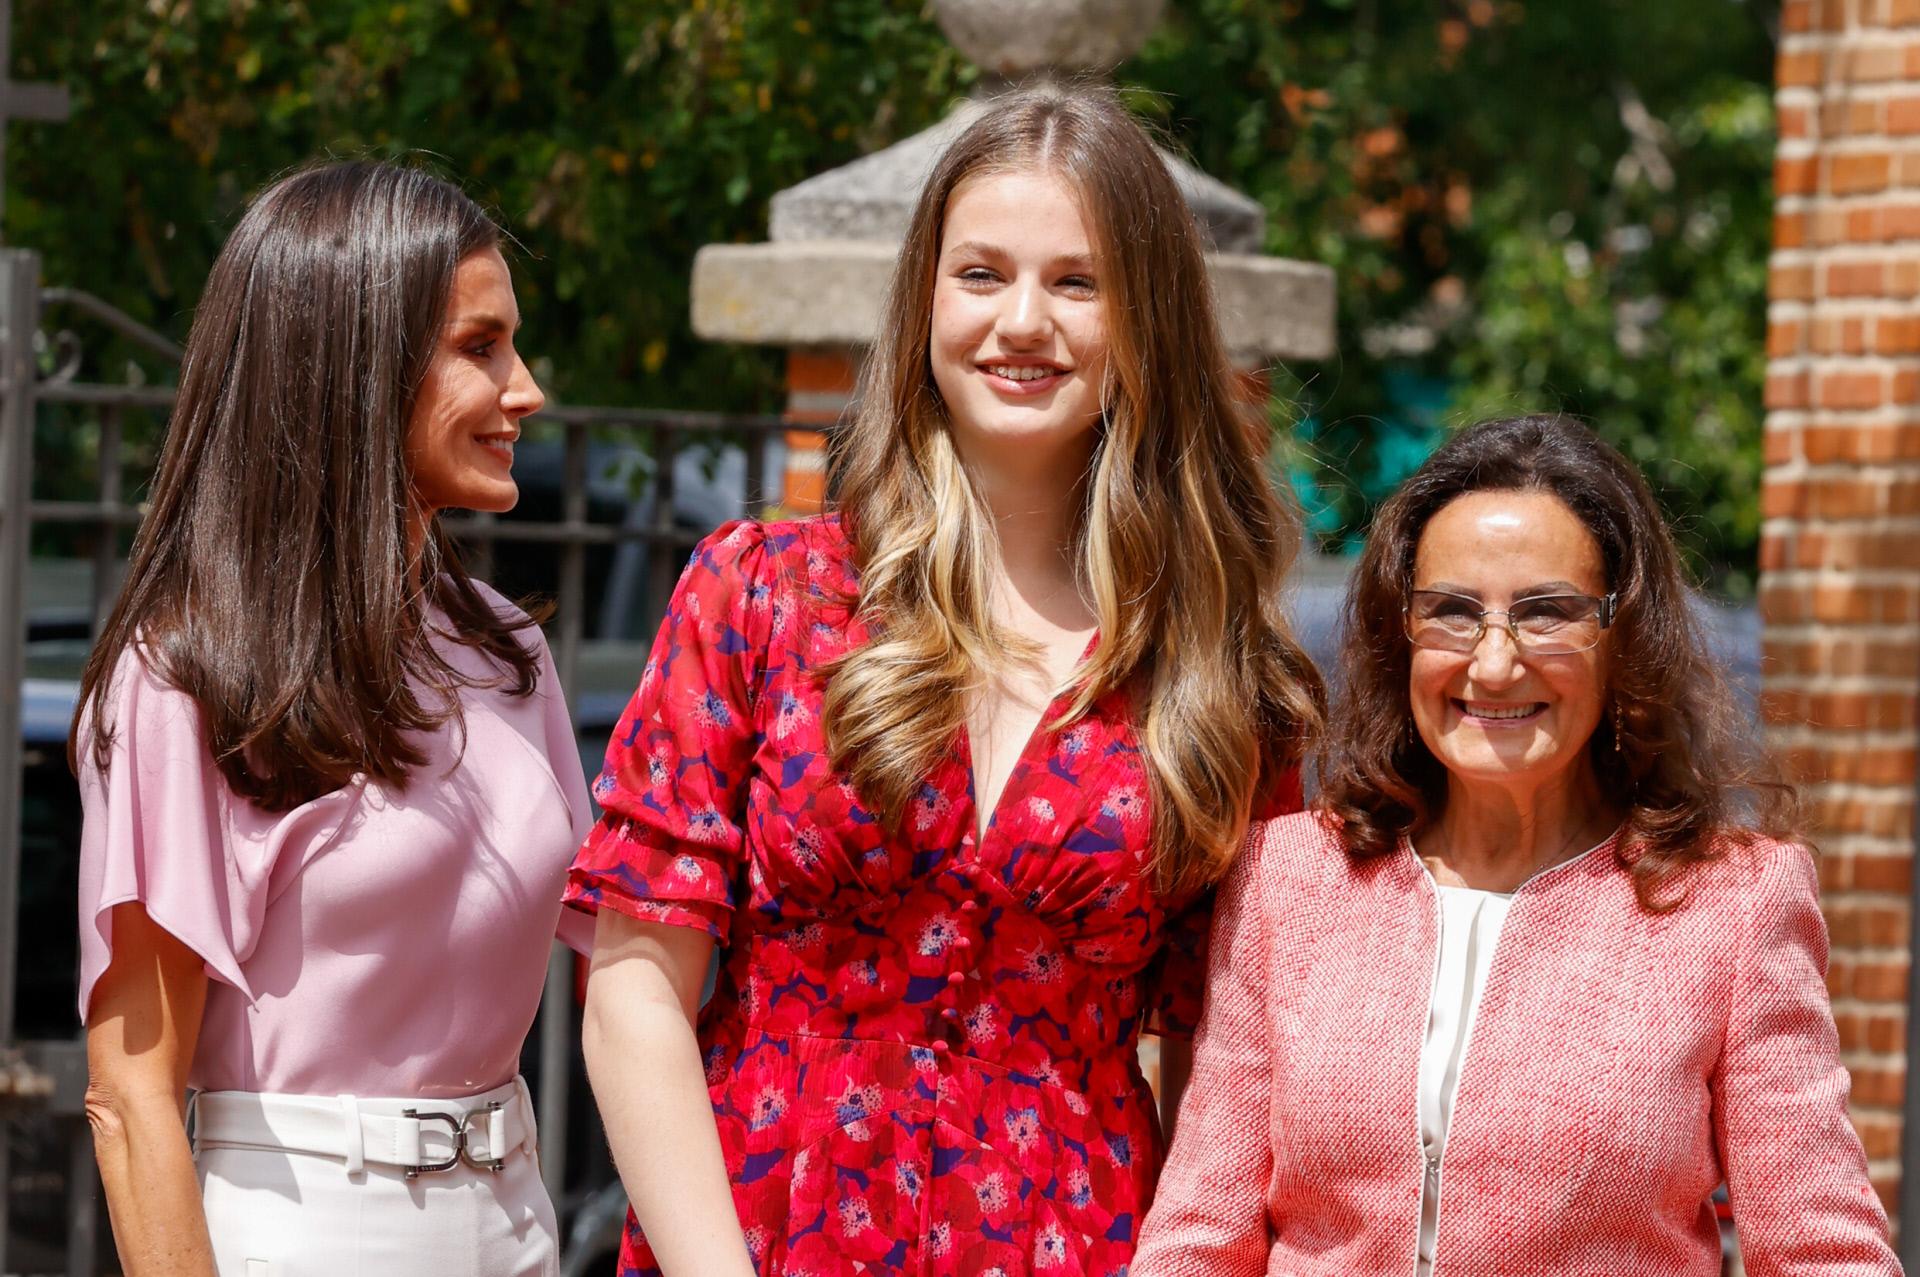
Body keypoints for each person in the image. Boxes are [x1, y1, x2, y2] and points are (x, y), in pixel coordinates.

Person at [564, 82, 1325, 1276]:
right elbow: (631, 993)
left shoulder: (1218, 670)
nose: (1024, 320)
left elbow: (1222, 1066)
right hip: (759, 1229)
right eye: (981, 274)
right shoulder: (762, 594)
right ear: (925, 295)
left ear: (1147, 323)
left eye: (1078, 282)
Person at [1132, 413, 1899, 1275]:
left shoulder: (1733, 902)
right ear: (1403, 633)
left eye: (1547, 613)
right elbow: (1198, 1236)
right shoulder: (1289, 877)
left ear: (1623, 638)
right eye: (1453, 612)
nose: (1494, 663)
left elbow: (1820, 1251)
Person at [75, 160, 592, 1277]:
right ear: (354, 367)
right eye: (481, 346)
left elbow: (629, 972)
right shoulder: (186, 676)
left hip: (516, 1219)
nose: (528, 387)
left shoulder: (507, 651)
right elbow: (130, 1096)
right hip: (299, 1226)